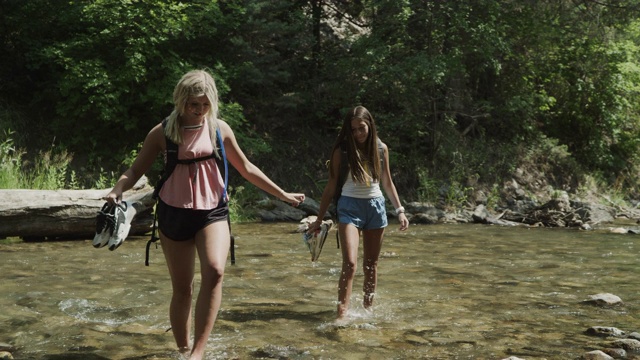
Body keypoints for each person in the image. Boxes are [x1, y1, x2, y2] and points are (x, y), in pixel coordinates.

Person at [104, 69, 305, 360]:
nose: (198, 111)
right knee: (183, 288)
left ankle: (198, 352)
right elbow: (136, 170)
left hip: (213, 211)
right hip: (173, 213)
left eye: (204, 104)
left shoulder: (219, 129)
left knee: (215, 270)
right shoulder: (162, 132)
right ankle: (183, 349)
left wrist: (282, 194)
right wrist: (118, 189)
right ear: (180, 101)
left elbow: (246, 168)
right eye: (192, 104)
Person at [307, 105, 409, 320]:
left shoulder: (381, 149)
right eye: (353, 130)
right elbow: (331, 185)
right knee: (351, 263)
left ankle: (367, 310)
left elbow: (387, 182)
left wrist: (399, 210)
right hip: (349, 207)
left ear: (370, 125)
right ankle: (341, 314)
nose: (358, 134)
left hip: (376, 207)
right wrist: (319, 218)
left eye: (361, 128)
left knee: (371, 264)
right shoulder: (342, 151)